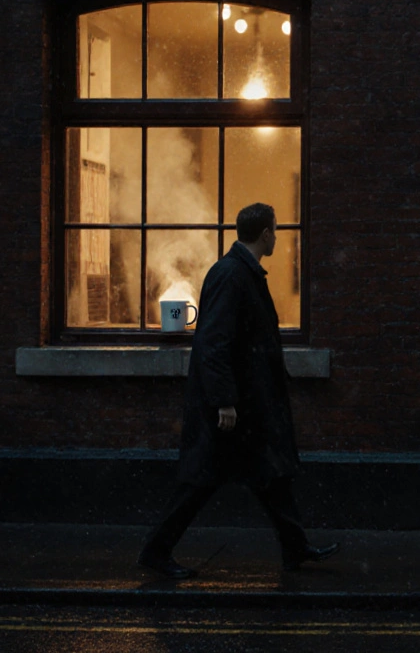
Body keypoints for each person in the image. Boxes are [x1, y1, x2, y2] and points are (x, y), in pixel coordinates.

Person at [138, 202, 337, 579]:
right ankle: (155, 550)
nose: (276, 237)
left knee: (271, 475)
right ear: (265, 234)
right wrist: (225, 401)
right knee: (200, 482)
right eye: (275, 231)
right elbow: (214, 343)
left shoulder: (238, 271)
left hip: (246, 403)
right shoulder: (233, 274)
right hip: (234, 407)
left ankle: (295, 548)